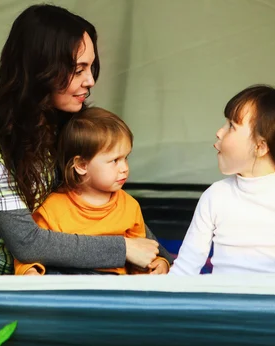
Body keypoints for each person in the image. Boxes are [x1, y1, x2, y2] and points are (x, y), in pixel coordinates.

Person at [0, 4, 166, 275]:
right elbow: (26, 242)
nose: (90, 80)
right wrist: (124, 248)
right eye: (78, 70)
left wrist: (161, 257)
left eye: (91, 67)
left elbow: (112, 202)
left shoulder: (67, 117)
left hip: (66, 274)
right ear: (41, 70)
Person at [169, 85, 275, 275]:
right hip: (225, 305)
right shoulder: (215, 197)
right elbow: (185, 269)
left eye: (231, 126)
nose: (219, 132)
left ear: (260, 147)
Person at [15, 107, 171, 275]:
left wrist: (159, 264)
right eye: (115, 160)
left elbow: (142, 255)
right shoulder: (52, 208)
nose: (125, 168)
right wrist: (30, 271)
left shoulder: (130, 207)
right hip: (68, 283)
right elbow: (33, 254)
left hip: (114, 286)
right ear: (82, 165)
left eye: (126, 158)